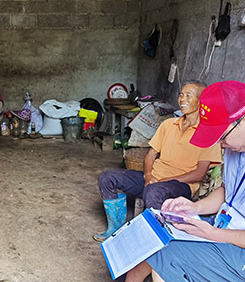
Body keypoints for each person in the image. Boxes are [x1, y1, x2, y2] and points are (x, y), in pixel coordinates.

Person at [89, 81, 245, 282]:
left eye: (222, 137)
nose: (221, 145)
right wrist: (194, 206)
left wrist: (214, 234)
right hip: (227, 228)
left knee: (169, 256)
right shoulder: (239, 144)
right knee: (161, 223)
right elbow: (228, 191)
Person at [94, 80, 222, 241]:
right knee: (107, 178)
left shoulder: (208, 134)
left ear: (201, 101)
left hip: (182, 184)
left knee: (153, 192)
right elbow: (150, 155)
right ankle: (115, 229)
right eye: (181, 95)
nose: (182, 99)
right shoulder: (168, 125)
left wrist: (163, 181)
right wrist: (148, 175)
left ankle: (149, 239)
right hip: (153, 179)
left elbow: (199, 174)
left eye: (188, 95)